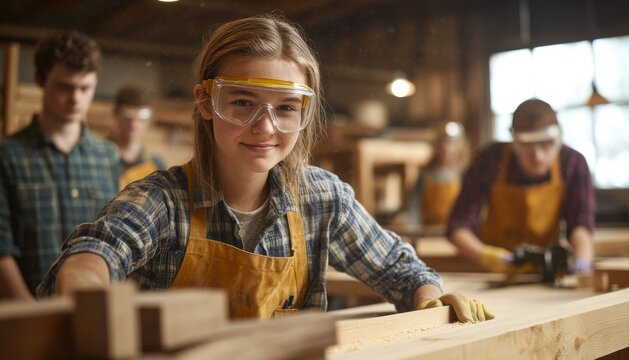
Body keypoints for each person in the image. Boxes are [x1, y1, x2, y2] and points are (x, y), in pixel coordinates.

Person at [37, 15, 492, 323]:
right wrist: (87, 302)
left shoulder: (321, 199)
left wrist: (431, 300)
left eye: (287, 108)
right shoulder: (162, 202)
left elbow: (401, 271)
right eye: (242, 102)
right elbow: (94, 255)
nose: (265, 128)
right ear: (205, 103)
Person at [0, 30, 120, 300]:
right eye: (65, 87)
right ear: (40, 80)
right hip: (29, 309)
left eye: (85, 88)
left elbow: (114, 239)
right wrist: (31, 313)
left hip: (92, 310)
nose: (76, 99)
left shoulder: (107, 157)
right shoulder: (8, 156)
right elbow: (1, 246)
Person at [447, 98, 595, 276]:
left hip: (547, 271)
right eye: (527, 146)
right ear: (514, 141)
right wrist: (488, 257)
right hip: (493, 274)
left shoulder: (572, 163)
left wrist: (582, 262)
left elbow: (581, 223)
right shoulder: (490, 160)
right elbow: (458, 225)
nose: (538, 156)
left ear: (559, 138)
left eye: (547, 144)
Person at [405, 120, 469, 229]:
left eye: (451, 143)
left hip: (455, 234)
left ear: (460, 146)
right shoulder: (425, 175)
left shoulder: (464, 175)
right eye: (442, 143)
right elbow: (414, 207)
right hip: (427, 233)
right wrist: (412, 226)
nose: (446, 148)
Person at [112, 84, 166, 189]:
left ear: (150, 118)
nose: (134, 123)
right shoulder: (98, 158)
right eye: (128, 115)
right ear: (116, 113)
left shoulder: (155, 165)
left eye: (141, 117)